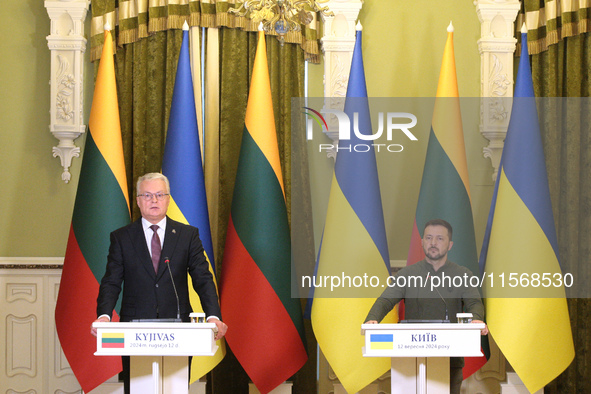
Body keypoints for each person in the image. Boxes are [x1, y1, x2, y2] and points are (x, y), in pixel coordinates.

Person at [90, 173, 227, 390]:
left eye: (159, 195)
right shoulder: (122, 237)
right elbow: (112, 281)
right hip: (134, 329)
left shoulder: (187, 235)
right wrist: (104, 315)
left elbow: (203, 278)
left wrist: (213, 316)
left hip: (179, 327)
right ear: (138, 200)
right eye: (147, 195)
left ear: (168, 199)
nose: (154, 200)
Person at [365, 219, 488, 394]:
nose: (433, 243)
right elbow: (385, 300)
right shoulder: (407, 274)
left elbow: (474, 303)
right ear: (422, 242)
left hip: (450, 361)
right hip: (409, 360)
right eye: (429, 238)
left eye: (439, 238)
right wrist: (372, 319)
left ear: (450, 244)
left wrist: (476, 319)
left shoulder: (462, 274)